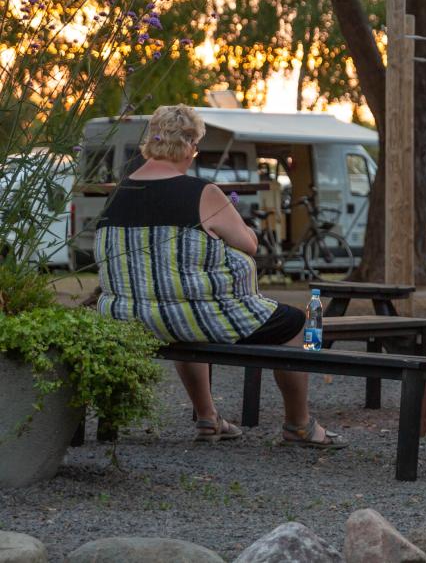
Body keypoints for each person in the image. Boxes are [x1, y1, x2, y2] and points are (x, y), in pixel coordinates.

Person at [95, 105, 345, 448]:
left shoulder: (118, 193)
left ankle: (208, 418)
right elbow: (249, 244)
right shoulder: (203, 193)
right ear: (189, 145)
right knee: (297, 323)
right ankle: (299, 425)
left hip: (128, 317)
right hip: (192, 317)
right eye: (196, 146)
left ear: (151, 143)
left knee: (185, 322)